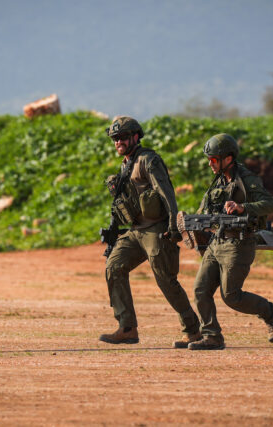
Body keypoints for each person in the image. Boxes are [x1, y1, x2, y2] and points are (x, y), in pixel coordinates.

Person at [99, 116, 201, 348]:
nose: (118, 142)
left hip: (156, 229)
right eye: (115, 139)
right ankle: (127, 328)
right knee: (114, 266)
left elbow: (166, 193)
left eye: (123, 137)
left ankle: (193, 330)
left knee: (165, 280)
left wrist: (174, 225)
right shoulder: (125, 165)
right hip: (135, 231)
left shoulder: (148, 160)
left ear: (136, 137)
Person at [188, 133, 273, 350]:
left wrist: (243, 208)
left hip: (239, 243)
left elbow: (269, 204)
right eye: (209, 159)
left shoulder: (247, 179)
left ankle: (271, 311)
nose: (210, 163)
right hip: (216, 242)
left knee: (231, 296)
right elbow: (205, 210)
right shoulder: (218, 181)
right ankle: (212, 336)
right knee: (200, 290)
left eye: (213, 159)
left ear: (228, 158)